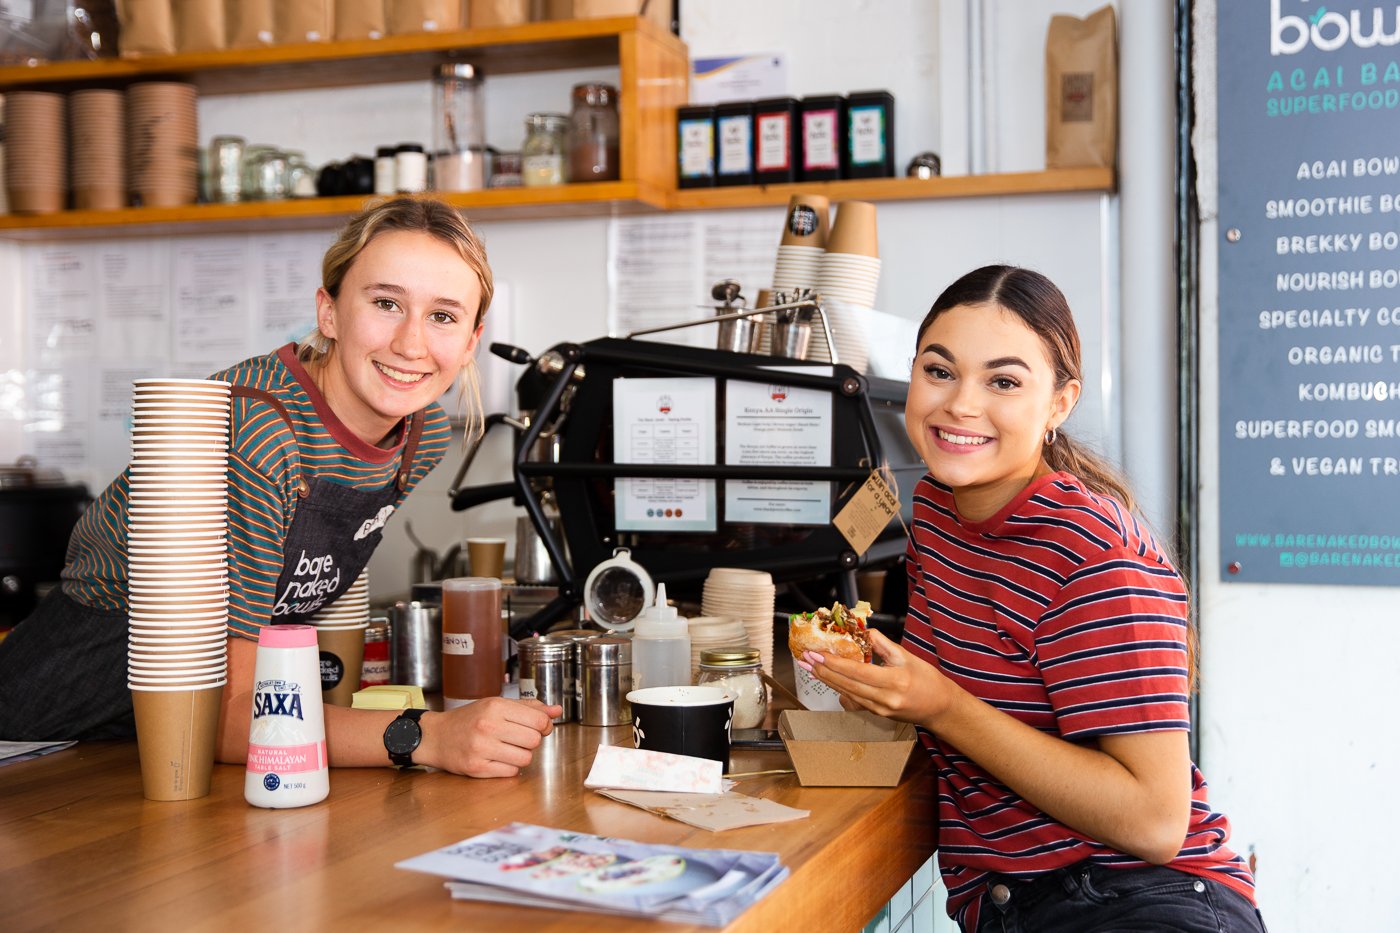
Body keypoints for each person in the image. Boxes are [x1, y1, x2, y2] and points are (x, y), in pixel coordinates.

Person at [0, 197, 562, 777]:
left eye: (443, 316)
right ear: (329, 312)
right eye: (386, 303)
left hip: (148, 752)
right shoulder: (258, 432)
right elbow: (219, 720)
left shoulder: (422, 436)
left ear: (471, 341)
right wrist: (428, 736)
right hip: (48, 722)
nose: (412, 345)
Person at [800, 266, 1266, 932]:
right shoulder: (936, 510)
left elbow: (1157, 821)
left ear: (1059, 402)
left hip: (1136, 904)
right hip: (1020, 905)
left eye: (1004, 381)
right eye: (939, 371)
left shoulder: (1094, 549)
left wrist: (941, 705)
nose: (961, 404)